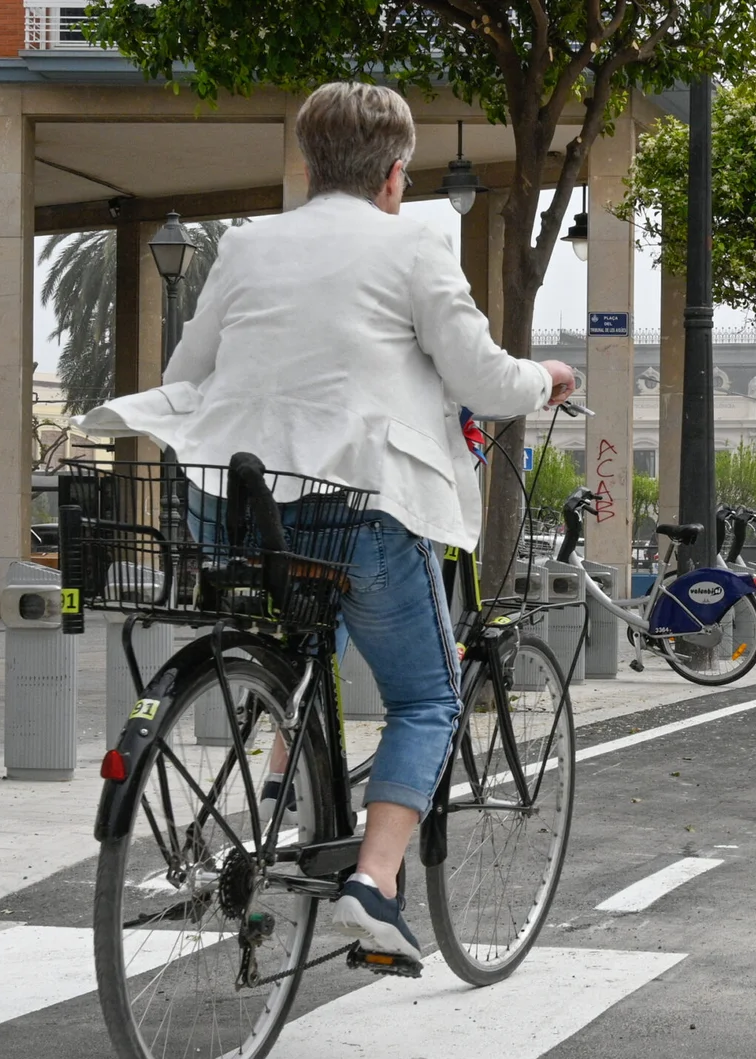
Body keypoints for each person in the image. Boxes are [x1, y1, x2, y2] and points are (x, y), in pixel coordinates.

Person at [78, 82, 576, 961]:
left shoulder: (245, 246)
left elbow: (191, 369)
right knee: (427, 695)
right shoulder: (415, 246)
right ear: (394, 175)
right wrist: (547, 379)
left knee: (301, 640)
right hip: (363, 506)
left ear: (308, 166)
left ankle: (279, 784)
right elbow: (486, 381)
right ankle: (373, 883)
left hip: (237, 505)